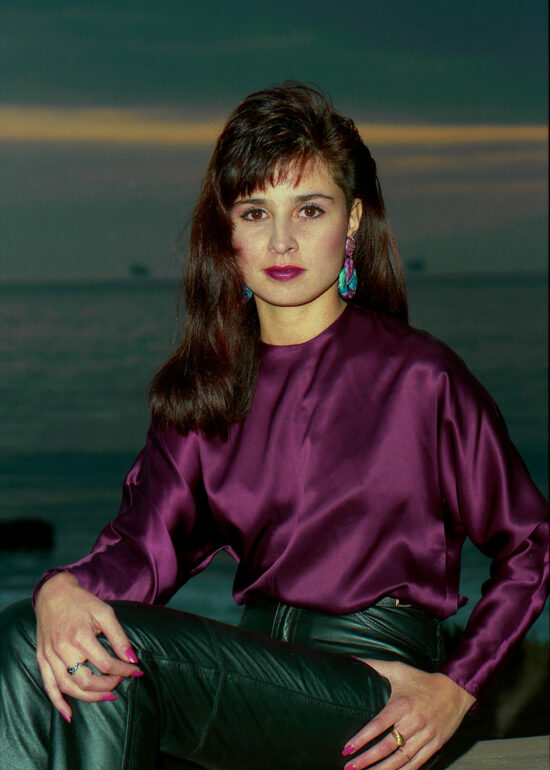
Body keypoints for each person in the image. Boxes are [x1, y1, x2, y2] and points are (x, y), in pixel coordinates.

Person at [0, 82, 547, 770]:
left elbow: (532, 542)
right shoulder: (208, 392)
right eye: (256, 213)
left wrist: (457, 687)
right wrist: (62, 590)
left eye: (309, 210)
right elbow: (143, 551)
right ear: (227, 232)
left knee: (113, 656)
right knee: (33, 632)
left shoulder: (420, 377)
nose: (282, 241)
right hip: (257, 683)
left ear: (351, 220)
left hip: (374, 693)